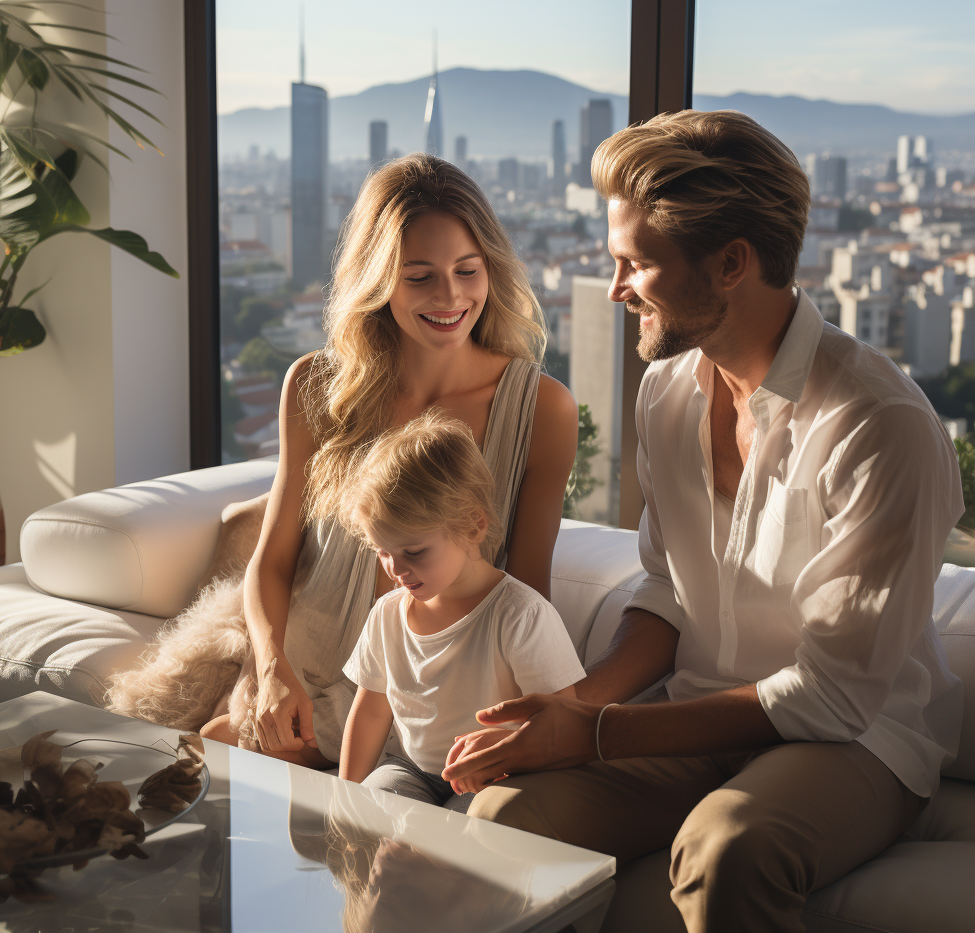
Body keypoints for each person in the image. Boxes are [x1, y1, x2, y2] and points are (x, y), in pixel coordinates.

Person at [442, 110, 964, 933]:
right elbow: (667, 589)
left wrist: (600, 733)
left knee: (730, 847)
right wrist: (575, 707)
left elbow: (830, 697)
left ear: (730, 263)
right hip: (696, 713)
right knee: (506, 819)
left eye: (634, 264)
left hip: (855, 741)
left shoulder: (880, 426)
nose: (614, 288)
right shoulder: (668, 392)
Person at [106, 154, 578, 768]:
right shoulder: (316, 386)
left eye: (468, 270)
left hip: (433, 688)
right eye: (419, 277)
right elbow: (272, 560)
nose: (451, 296)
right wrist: (267, 669)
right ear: (378, 280)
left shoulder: (544, 408)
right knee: (197, 774)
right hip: (308, 668)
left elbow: (528, 591)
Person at [337, 412, 585, 809]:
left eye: (413, 552)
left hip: (495, 774)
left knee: (472, 831)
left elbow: (563, 722)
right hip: (412, 770)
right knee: (374, 812)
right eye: (383, 552)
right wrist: (343, 801)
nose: (396, 570)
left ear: (472, 526)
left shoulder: (520, 616)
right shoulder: (386, 615)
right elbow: (369, 713)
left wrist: (502, 747)